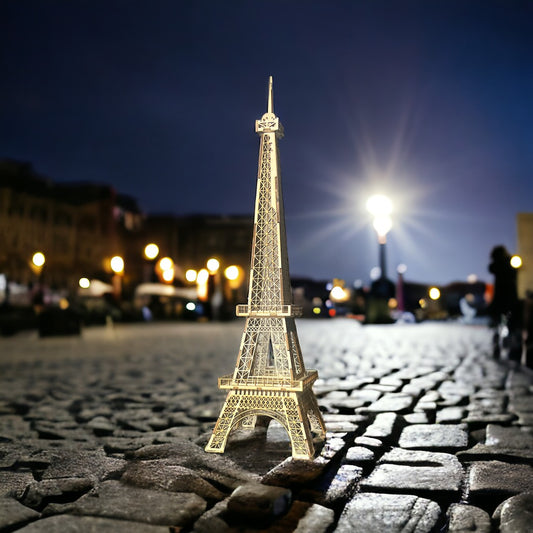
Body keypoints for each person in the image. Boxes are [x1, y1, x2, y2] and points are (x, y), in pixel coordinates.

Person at [488, 245, 521, 361]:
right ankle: (500, 346)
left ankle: (511, 348)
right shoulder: (499, 265)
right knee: (502, 324)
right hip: (505, 298)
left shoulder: (509, 262)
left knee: (509, 324)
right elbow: (491, 268)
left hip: (507, 298)